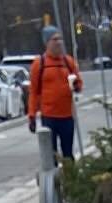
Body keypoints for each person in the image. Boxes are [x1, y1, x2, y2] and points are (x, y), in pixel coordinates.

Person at [28, 26, 83, 160]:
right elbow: (33, 92)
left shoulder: (68, 61)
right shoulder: (39, 64)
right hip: (49, 117)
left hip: (67, 115)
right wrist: (32, 116)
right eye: (55, 39)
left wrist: (76, 85)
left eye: (60, 39)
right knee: (51, 155)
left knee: (68, 154)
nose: (59, 42)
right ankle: (54, 173)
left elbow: (79, 84)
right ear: (47, 42)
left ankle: (70, 173)